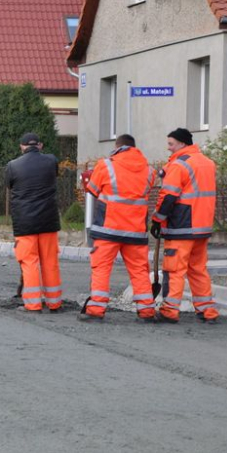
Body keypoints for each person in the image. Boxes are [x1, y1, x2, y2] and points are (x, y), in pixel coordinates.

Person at [80, 134, 156, 322]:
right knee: (139, 271)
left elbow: (92, 190)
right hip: (135, 231)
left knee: (102, 268)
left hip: (108, 229)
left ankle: (96, 310)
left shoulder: (105, 165)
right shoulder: (149, 171)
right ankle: (146, 311)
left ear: (117, 146)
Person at [151, 128, 219, 323]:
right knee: (198, 269)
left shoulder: (179, 165)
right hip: (202, 226)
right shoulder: (208, 163)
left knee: (174, 270)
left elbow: (168, 197)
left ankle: (169, 310)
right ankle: (207, 311)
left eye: (171, 144)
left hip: (182, 226)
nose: (168, 147)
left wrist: (157, 220)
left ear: (182, 144)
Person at [4, 132, 62, 312]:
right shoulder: (51, 161)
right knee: (50, 261)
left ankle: (33, 303)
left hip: (25, 222)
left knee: (29, 262)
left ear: (22, 147)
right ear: (40, 145)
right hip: (48, 220)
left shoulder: (13, 166)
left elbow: (9, 185)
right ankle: (54, 302)